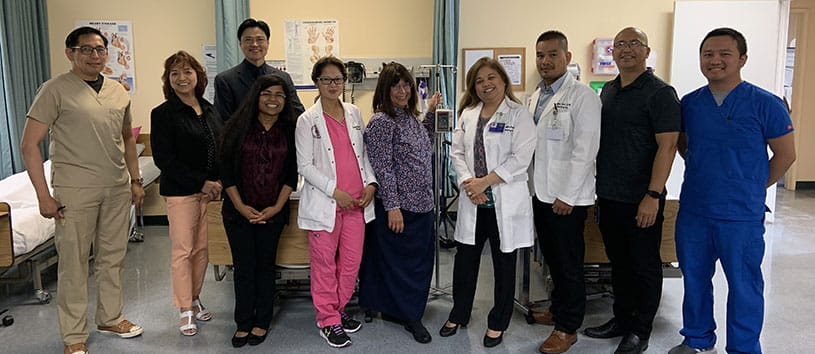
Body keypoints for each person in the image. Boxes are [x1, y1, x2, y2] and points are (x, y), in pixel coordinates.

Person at [670, 28, 796, 354]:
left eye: (724, 54)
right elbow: (685, 146)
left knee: (744, 286)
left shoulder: (765, 104)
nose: (715, 60)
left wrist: (753, 185)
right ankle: (697, 340)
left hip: (741, 214)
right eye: (708, 54)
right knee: (695, 280)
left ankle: (743, 347)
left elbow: (786, 155)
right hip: (696, 209)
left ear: (742, 59)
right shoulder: (690, 104)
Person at [20, 26, 145, 354]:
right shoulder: (55, 90)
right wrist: (43, 196)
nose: (95, 55)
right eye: (86, 49)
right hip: (74, 190)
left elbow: (128, 138)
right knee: (74, 263)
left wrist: (134, 179)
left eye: (100, 50)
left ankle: (110, 316)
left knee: (112, 258)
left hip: (116, 187)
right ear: (70, 53)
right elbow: (29, 144)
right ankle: (73, 335)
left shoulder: (119, 91)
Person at [585, 27, 681, 354]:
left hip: (643, 199)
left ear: (646, 50)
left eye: (634, 44)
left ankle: (641, 331)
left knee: (645, 266)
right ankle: (622, 319)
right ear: (612, 52)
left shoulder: (660, 93)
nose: (626, 50)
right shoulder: (608, 90)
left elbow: (667, 147)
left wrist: (653, 196)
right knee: (619, 263)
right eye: (620, 45)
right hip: (610, 196)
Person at [438, 57, 536, 348]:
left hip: (504, 203)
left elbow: (520, 159)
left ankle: (498, 322)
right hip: (474, 202)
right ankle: (459, 313)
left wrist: (485, 182)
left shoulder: (519, 115)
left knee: (504, 265)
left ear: (504, 80)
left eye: (491, 77)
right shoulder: (468, 114)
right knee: (464, 262)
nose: (485, 84)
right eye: (479, 81)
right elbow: (456, 153)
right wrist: (471, 184)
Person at [526, 31, 601, 354]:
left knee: (569, 263)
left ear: (567, 57)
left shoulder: (583, 96)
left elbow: (586, 150)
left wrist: (568, 195)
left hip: (566, 199)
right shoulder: (535, 97)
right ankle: (558, 309)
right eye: (541, 54)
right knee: (553, 260)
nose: (545, 60)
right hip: (540, 193)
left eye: (553, 54)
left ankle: (568, 327)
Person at [295, 57, 378, 349]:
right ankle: (328, 321)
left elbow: (363, 155)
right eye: (327, 80)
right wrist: (335, 191)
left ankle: (338, 310)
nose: (333, 85)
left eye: (338, 80)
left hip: (356, 203)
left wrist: (371, 183)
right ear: (316, 82)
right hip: (325, 205)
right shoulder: (306, 120)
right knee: (324, 266)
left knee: (351, 264)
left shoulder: (354, 113)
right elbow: (304, 166)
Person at [359, 62, 442, 344]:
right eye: (395, 85)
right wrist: (393, 206)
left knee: (417, 263)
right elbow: (383, 168)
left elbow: (423, 142)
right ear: (385, 89)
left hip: (422, 204)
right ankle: (410, 315)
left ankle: (403, 309)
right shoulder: (382, 122)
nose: (402, 90)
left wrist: (430, 113)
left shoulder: (409, 118)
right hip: (400, 208)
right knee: (403, 265)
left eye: (406, 84)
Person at [219, 74, 298, 347]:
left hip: (273, 212)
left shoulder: (290, 130)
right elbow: (226, 172)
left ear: (286, 100)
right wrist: (240, 207)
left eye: (279, 94)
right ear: (256, 96)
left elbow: (292, 173)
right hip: (237, 212)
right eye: (267, 93)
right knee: (243, 268)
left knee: (265, 267)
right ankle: (243, 322)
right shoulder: (237, 127)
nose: (273, 99)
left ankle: (262, 321)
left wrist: (276, 207)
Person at [150, 50, 223, 337]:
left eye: (187, 72)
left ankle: (193, 298)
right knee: (183, 250)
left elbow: (218, 148)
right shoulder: (163, 113)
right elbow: (164, 159)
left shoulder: (209, 109)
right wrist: (201, 182)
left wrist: (216, 181)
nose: (182, 78)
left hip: (210, 193)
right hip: (182, 193)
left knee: (204, 250)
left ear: (198, 76)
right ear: (169, 80)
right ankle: (184, 309)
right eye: (175, 73)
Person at [214, 18, 305, 121]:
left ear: (267, 43)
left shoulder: (283, 77)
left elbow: (297, 113)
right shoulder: (225, 80)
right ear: (240, 44)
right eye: (248, 40)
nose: (255, 44)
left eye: (260, 39)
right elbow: (222, 120)